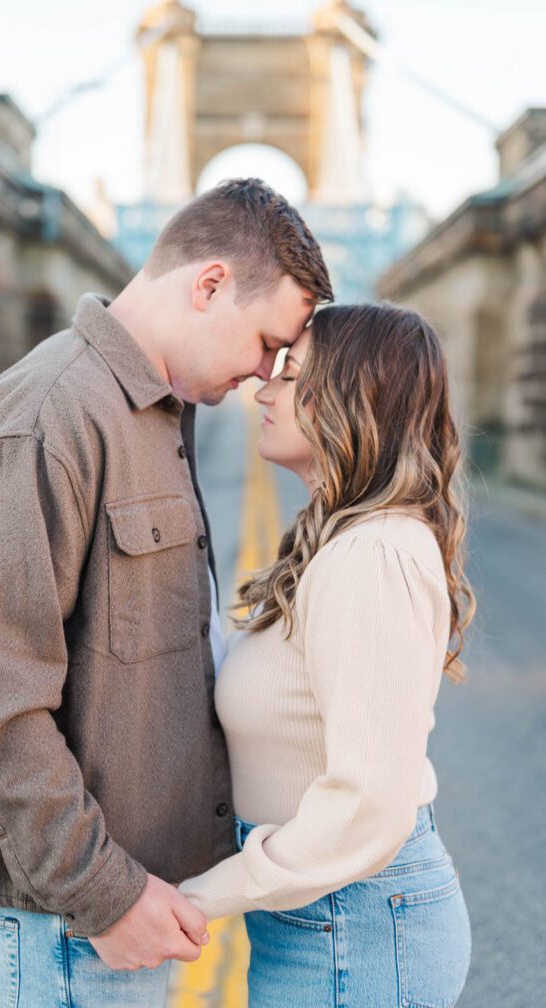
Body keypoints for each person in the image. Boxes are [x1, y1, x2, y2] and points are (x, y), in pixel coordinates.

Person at [0, 177, 333, 1007]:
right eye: (263, 342)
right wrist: (103, 892)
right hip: (65, 919)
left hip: (115, 901)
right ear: (209, 283)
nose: (262, 376)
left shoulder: (157, 411)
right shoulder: (46, 419)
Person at [179, 302, 475, 1007]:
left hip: (355, 927)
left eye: (292, 374)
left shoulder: (372, 554)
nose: (264, 389)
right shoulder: (339, 543)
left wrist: (198, 899)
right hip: (322, 918)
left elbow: (368, 803)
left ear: (354, 397)